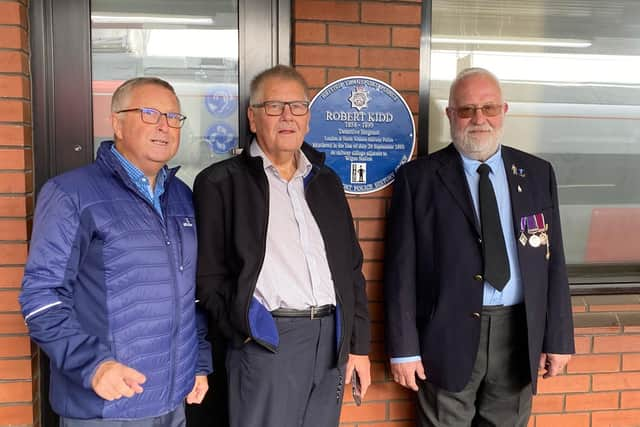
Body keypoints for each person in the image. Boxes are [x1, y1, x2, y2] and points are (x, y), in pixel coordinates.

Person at [384, 67, 574, 426]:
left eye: (488, 108)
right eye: (467, 109)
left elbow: (554, 263)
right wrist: (403, 349)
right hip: (445, 333)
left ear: (504, 110)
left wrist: (559, 337)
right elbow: (400, 272)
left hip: (517, 334)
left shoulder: (536, 174)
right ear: (450, 114)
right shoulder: (419, 178)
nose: (479, 119)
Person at [19, 77, 212, 426]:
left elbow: (190, 295)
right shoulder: (71, 194)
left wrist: (197, 362)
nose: (164, 126)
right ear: (117, 123)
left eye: (173, 117)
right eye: (150, 113)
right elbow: (42, 297)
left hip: (172, 401)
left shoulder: (182, 196)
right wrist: (92, 365)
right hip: (106, 405)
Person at [193, 65, 371, 427]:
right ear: (253, 117)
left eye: (297, 106)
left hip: (330, 342)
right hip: (267, 340)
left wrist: (357, 345)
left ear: (308, 118)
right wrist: (243, 329)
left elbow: (351, 269)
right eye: (274, 106)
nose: (287, 116)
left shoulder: (326, 182)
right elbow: (208, 277)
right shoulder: (220, 183)